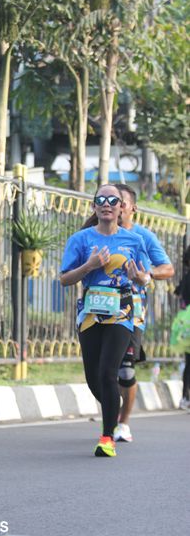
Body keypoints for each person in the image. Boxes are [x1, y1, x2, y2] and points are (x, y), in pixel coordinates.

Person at [60, 184, 150, 457]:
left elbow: (145, 277)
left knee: (108, 372)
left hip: (121, 313)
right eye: (101, 199)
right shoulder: (80, 239)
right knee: (94, 379)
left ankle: (107, 437)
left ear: (121, 207)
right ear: (94, 206)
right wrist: (90, 265)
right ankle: (113, 404)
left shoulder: (134, 240)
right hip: (90, 314)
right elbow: (64, 279)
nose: (107, 204)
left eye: (113, 200)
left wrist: (138, 277)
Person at [113, 183, 174, 442]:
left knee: (126, 371)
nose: (115, 207)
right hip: (98, 312)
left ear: (133, 208)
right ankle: (110, 418)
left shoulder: (143, 237)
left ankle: (122, 424)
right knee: (103, 372)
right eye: (110, 201)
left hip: (131, 311)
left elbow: (167, 269)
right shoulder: (94, 233)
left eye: (121, 203)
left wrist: (146, 274)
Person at [175, 245, 190, 409]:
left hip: (185, 324)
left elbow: (177, 292)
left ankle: (185, 397)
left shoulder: (185, 277)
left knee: (188, 361)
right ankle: (186, 396)